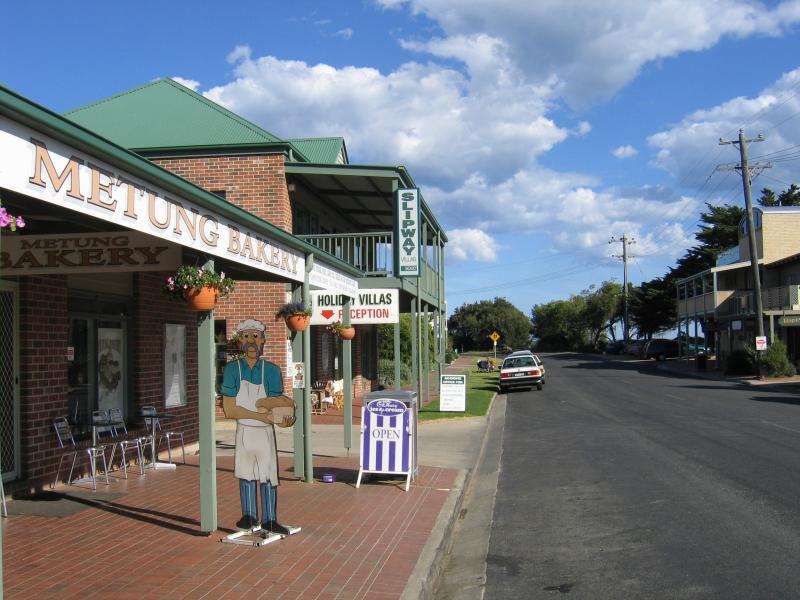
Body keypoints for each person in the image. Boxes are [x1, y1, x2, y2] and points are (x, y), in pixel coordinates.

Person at [221, 319, 295, 535]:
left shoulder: (271, 371)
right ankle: (249, 515)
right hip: (244, 431)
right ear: (240, 342)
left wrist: (285, 417)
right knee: (245, 473)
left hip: (265, 434)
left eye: (255, 336)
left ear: (263, 340)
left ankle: (270, 519)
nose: (251, 341)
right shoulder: (232, 370)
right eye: (246, 336)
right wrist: (261, 415)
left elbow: (278, 406)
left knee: (268, 474)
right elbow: (229, 409)